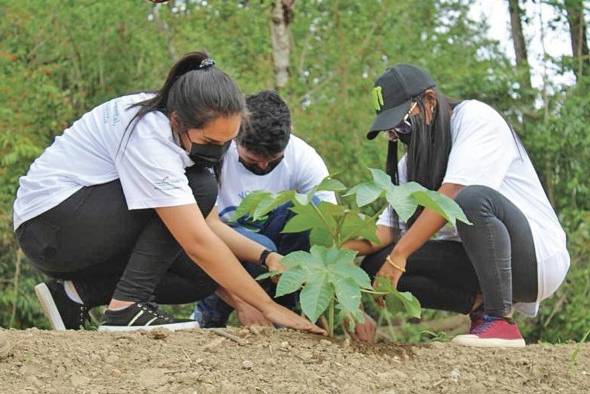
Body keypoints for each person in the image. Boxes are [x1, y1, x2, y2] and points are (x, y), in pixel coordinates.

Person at [13, 51, 325, 335]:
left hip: (78, 229)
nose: (219, 151)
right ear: (178, 121)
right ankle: (126, 309)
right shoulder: (148, 134)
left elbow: (210, 226)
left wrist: (267, 257)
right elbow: (196, 240)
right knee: (201, 189)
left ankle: (73, 295)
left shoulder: (180, 135)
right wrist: (270, 306)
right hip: (51, 226)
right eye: (212, 141)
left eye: (228, 141)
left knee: (203, 277)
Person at [347, 64, 570, 347]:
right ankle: (481, 309)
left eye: (402, 125)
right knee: (376, 263)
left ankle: (500, 320)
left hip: (535, 259)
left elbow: (452, 195)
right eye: (393, 133)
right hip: (479, 260)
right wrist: (332, 248)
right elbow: (386, 230)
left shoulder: (476, 118)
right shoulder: (415, 161)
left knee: (471, 200)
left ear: (429, 101)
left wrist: (400, 255)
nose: (401, 137)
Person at [193, 90, 335, 327]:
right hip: (220, 253)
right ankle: (210, 319)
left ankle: (288, 311)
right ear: (235, 138)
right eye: (252, 160)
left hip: (277, 260)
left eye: (273, 161)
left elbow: (331, 232)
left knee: (315, 211)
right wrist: (244, 302)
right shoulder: (213, 155)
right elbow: (196, 235)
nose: (263, 166)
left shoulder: (304, 159)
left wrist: (351, 302)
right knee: (262, 247)